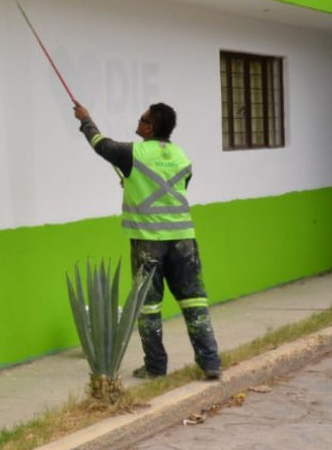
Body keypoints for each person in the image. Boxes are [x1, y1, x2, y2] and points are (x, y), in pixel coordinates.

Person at [71, 101, 222, 380]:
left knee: (149, 307)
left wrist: (85, 119)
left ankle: (155, 367)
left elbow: (100, 144)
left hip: (148, 241)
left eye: (142, 119)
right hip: (184, 240)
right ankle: (211, 362)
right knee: (194, 301)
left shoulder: (134, 153)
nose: (138, 123)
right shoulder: (180, 155)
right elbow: (176, 188)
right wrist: (132, 184)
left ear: (150, 127)